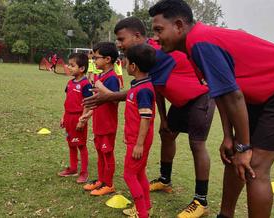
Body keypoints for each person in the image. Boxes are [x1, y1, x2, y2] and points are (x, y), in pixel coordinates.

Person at [148, 1, 274, 218]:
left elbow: (234, 96)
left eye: (158, 30)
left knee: (254, 167)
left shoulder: (200, 42)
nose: (154, 38)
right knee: (233, 157)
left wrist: (244, 146)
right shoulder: (194, 46)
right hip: (265, 92)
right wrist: (229, 137)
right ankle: (225, 215)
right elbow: (222, 93)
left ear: (178, 25)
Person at [85, 17, 215, 217]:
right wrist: (163, 118)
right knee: (167, 135)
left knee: (197, 145)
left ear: (137, 36)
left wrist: (110, 96)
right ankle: (164, 180)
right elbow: (157, 89)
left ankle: (201, 201)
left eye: (121, 39)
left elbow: (144, 91)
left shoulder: (155, 53)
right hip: (178, 100)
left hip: (199, 96)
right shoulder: (144, 58)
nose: (118, 44)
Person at [121, 44, 156, 218]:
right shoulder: (138, 86)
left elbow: (145, 118)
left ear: (133, 66)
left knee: (129, 175)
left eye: (126, 62)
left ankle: (142, 213)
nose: (124, 65)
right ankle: (146, 206)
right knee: (139, 172)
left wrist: (139, 144)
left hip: (138, 142)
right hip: (134, 139)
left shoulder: (143, 90)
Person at [83, 42, 120, 196]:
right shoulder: (100, 76)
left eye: (96, 58)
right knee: (99, 152)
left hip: (108, 125)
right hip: (98, 123)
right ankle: (101, 180)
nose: (94, 61)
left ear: (107, 59)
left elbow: (115, 99)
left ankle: (109, 184)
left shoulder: (112, 78)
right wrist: (89, 113)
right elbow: (98, 100)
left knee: (107, 153)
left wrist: (100, 85)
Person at [58, 53, 93, 184]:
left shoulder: (86, 84)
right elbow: (67, 101)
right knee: (71, 143)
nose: (69, 67)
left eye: (72, 65)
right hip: (68, 118)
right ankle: (73, 168)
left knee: (81, 145)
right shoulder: (69, 83)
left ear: (82, 68)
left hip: (78, 118)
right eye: (69, 64)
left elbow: (88, 103)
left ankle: (84, 172)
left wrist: (82, 120)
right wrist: (63, 117)